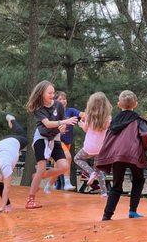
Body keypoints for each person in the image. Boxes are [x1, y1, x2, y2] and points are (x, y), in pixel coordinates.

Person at [95, 90, 147, 220]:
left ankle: (107, 215)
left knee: (116, 185)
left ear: (119, 104)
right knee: (138, 180)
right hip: (133, 155)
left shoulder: (114, 122)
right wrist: (144, 147)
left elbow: (108, 139)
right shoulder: (139, 120)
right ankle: (132, 211)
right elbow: (146, 134)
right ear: (135, 104)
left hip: (117, 157)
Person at [25, 80, 78, 209]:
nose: (52, 95)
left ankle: (39, 176)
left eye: (53, 92)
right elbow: (48, 124)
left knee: (64, 166)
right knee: (42, 167)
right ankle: (30, 200)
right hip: (41, 138)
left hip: (55, 138)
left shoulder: (58, 105)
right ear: (41, 93)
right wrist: (64, 121)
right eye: (49, 93)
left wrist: (63, 127)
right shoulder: (38, 108)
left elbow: (61, 124)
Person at [74, 92, 112, 197]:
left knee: (77, 158)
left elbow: (87, 129)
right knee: (99, 170)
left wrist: (82, 125)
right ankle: (104, 193)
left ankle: (90, 172)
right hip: (101, 148)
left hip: (89, 147)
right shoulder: (108, 118)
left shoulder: (89, 117)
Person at [45, 91, 84, 192]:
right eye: (60, 99)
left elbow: (81, 114)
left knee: (59, 167)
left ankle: (49, 184)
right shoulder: (53, 113)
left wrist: (90, 115)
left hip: (67, 142)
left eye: (64, 99)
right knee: (68, 157)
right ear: (55, 101)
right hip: (57, 141)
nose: (63, 101)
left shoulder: (70, 111)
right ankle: (66, 182)